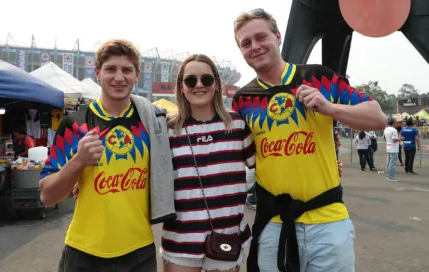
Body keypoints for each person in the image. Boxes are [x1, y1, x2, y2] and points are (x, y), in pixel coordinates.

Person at [232, 9, 387, 272]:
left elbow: (378, 118)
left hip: (328, 222)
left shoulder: (318, 77)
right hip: (273, 223)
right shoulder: (243, 98)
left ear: (278, 37)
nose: (255, 47)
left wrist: (330, 108)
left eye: (261, 37)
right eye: (246, 43)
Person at [39, 39, 176, 272]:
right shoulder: (74, 123)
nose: (119, 77)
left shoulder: (153, 124)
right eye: (111, 69)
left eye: (126, 70)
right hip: (83, 253)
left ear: (137, 75)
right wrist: (79, 162)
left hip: (139, 252)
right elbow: (47, 196)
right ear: (98, 73)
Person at [160, 54, 255, 272]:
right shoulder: (167, 129)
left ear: (217, 84)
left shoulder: (237, 124)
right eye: (191, 80)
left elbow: (266, 165)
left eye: (207, 79)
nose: (199, 85)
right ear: (181, 86)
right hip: (180, 239)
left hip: (226, 236)